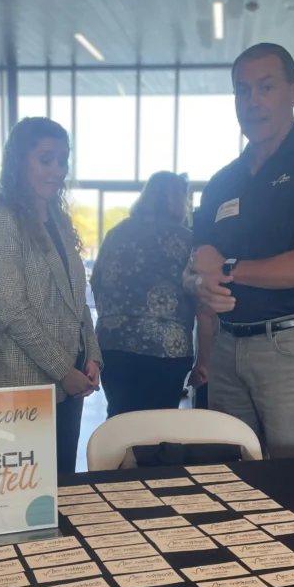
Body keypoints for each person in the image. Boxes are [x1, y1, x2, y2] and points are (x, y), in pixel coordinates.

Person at [186, 43, 294, 458]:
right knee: (231, 475)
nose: (253, 102)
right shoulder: (223, 180)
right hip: (227, 349)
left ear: (293, 92)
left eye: (266, 88)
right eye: (242, 91)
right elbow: (194, 267)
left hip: (293, 347)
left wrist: (225, 269)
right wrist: (198, 283)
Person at [0, 118, 102, 475]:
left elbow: (78, 301)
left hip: (71, 382)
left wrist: (92, 355)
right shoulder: (1, 220)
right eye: (46, 159)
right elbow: (12, 311)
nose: (57, 170)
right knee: (26, 499)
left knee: (62, 488)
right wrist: (65, 370)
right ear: (19, 161)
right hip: (24, 385)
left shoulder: (58, 219)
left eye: (63, 160)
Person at [90, 172, 200, 417]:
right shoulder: (187, 239)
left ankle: (115, 456)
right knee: (158, 424)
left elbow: (96, 282)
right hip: (167, 347)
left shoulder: (116, 233)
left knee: (120, 417)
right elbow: (200, 296)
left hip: (113, 342)